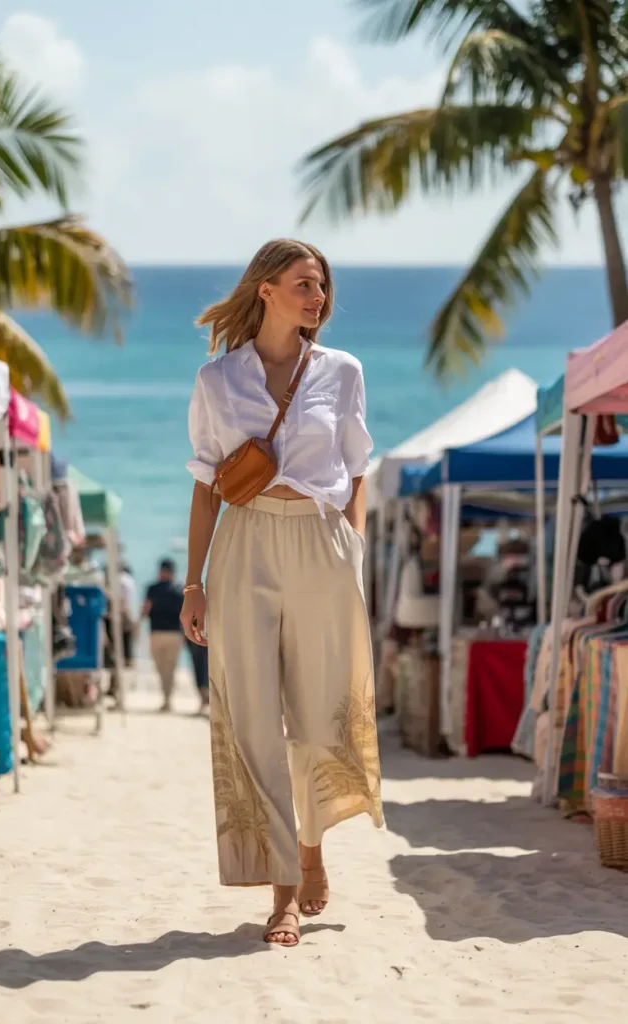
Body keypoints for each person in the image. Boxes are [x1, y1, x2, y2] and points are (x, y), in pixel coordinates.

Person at [181, 238, 383, 948]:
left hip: (321, 547)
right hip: (245, 545)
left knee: (318, 717)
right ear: (265, 290)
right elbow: (206, 489)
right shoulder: (217, 381)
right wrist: (192, 582)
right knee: (254, 721)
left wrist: (352, 549)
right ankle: (283, 897)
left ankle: (312, 849)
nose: (316, 297)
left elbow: (358, 469)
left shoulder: (342, 372)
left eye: (321, 287)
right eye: (304, 284)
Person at [141, 558, 185, 712]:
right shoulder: (180, 589)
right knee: (170, 668)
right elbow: (186, 614)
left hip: (157, 632)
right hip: (175, 634)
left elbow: (145, 610)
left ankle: (166, 699)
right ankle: (168, 699)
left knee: (161, 667)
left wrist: (138, 624)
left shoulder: (153, 588)